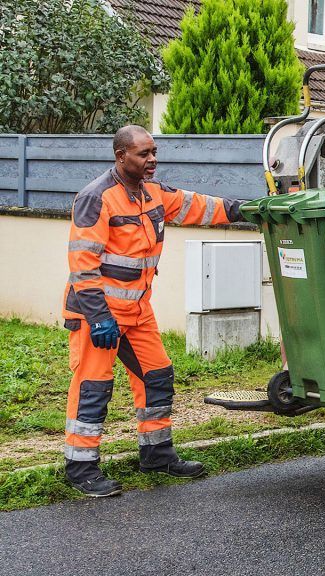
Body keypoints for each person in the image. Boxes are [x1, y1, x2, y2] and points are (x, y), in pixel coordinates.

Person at [62, 125, 244, 497]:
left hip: (138, 311)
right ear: (121, 156)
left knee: (157, 376)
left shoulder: (155, 194)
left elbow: (200, 206)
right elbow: (83, 265)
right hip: (97, 313)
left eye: (154, 152)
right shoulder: (97, 197)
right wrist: (98, 317)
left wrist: (247, 209)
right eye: (143, 154)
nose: (152, 160)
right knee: (93, 387)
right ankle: (80, 469)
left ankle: (157, 454)